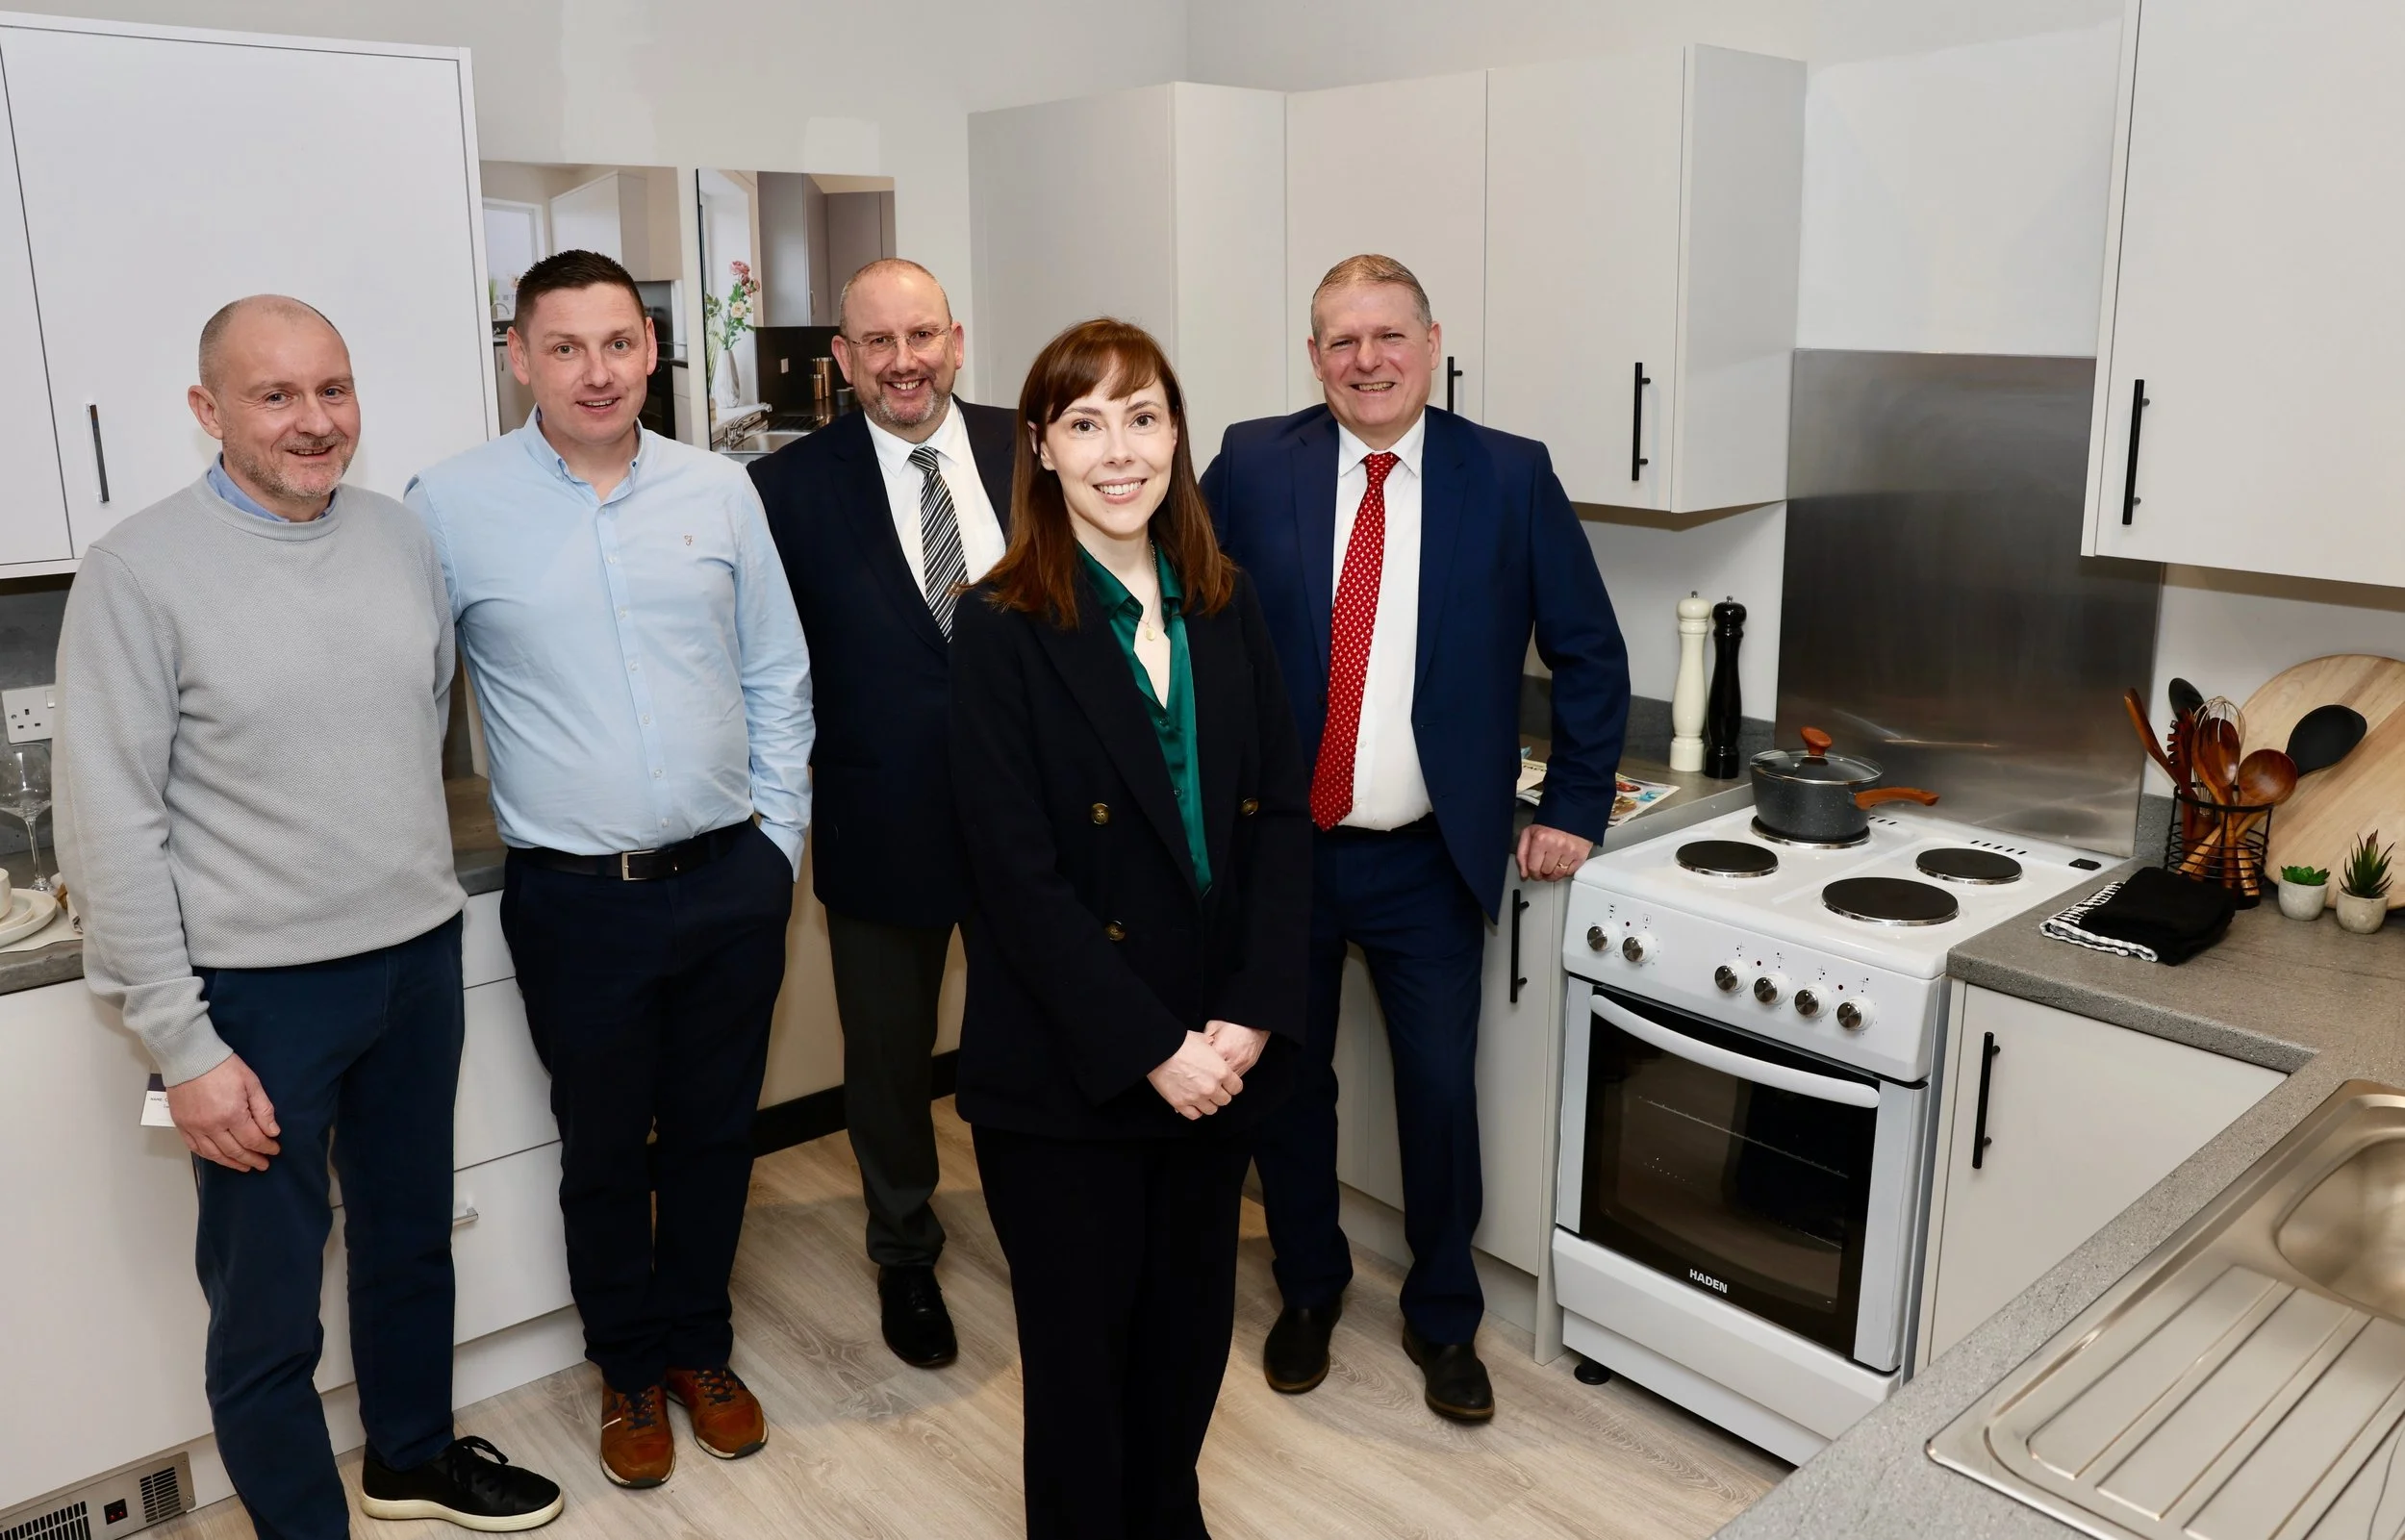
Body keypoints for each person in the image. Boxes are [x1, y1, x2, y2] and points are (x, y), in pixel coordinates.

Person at [53, 296, 563, 1538]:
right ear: (205, 410)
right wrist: (182, 1042)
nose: (313, 421)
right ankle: (300, 1520)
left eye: (332, 390)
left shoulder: (399, 543)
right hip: (256, 997)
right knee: (267, 1296)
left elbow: (416, 712)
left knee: (407, 1243)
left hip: (414, 962)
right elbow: (109, 826)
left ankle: (410, 1456)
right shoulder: (135, 574)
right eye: (275, 396)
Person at [405, 250, 815, 1490]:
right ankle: (626, 1364)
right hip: (577, 900)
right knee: (599, 1146)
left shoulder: (719, 489)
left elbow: (776, 674)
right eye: (566, 347)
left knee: (712, 1133)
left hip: (730, 880)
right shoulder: (448, 503)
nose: (597, 371)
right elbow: (409, 702)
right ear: (518, 357)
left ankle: (700, 1343)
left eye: (620, 344)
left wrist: (778, 847)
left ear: (652, 351)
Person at [1202, 255, 1631, 1424]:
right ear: (1312, 357)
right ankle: (1307, 1285)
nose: (1367, 360)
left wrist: (1575, 808)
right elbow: (1176, 616)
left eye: (1387, 335)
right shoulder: (1250, 460)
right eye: (1341, 340)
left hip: (1428, 856)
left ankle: (1446, 1316)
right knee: (1285, 1089)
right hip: (1282, 853)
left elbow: (1589, 651)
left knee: (1440, 1093)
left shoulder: (1508, 474)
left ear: (1431, 342)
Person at [950, 318, 1310, 1539]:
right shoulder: (1000, 624)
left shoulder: (1225, 601)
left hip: (1219, 1053)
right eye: (1086, 422)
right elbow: (1016, 880)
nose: (1120, 451)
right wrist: (1156, 1047)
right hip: (1074, 1072)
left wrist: (1251, 1013)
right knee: (1080, 1372)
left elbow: (1275, 820)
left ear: (1176, 437)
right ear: (1041, 449)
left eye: (1143, 417)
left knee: (1185, 1346)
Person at [747, 258, 1014, 1368]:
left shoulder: (1039, 446)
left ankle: (1043, 1222)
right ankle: (904, 1250)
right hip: (875, 823)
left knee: (1028, 1046)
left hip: (1033, 833)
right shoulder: (785, 490)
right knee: (890, 1065)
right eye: (876, 344)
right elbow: (768, 671)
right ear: (843, 360)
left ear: (957, 338)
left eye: (922, 336)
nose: (903, 361)